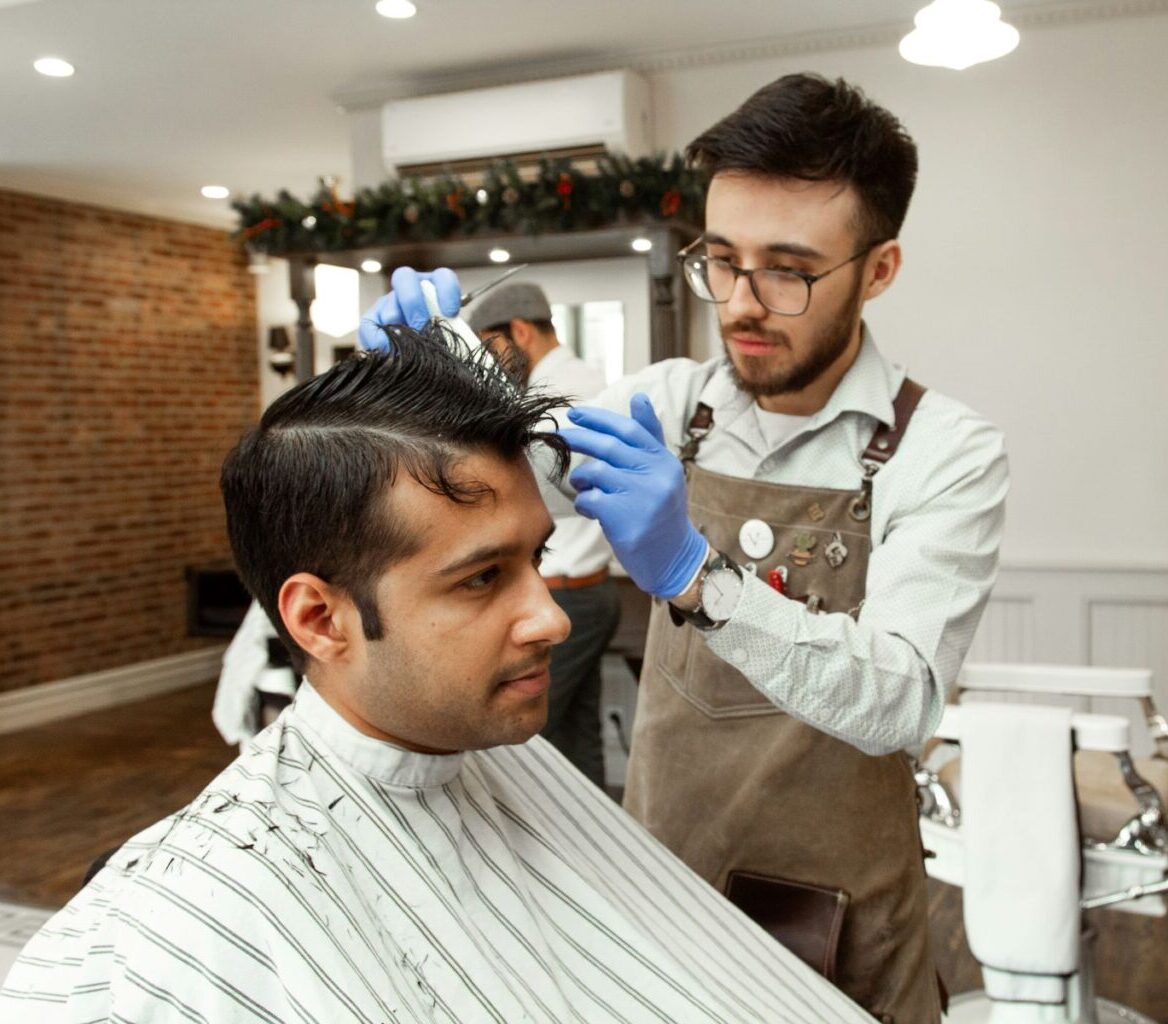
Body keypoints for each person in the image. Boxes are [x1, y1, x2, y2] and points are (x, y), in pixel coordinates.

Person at [0, 321, 875, 1023]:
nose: (551, 616)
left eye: (537, 558)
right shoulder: (179, 921)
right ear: (318, 617)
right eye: (482, 578)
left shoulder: (493, 749)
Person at [370, 73, 1010, 1024]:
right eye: (721, 258)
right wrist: (422, 379)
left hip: (834, 917)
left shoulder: (944, 451)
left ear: (878, 270)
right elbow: (496, 473)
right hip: (660, 883)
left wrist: (695, 578)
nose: (742, 303)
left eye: (788, 269)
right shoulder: (668, 405)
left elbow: (901, 699)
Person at [469, 281, 619, 788]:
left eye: (490, 348)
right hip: (585, 591)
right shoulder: (579, 379)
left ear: (520, 331)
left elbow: (517, 492)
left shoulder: (563, 394)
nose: (490, 364)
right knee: (578, 742)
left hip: (567, 594)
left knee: (523, 752)